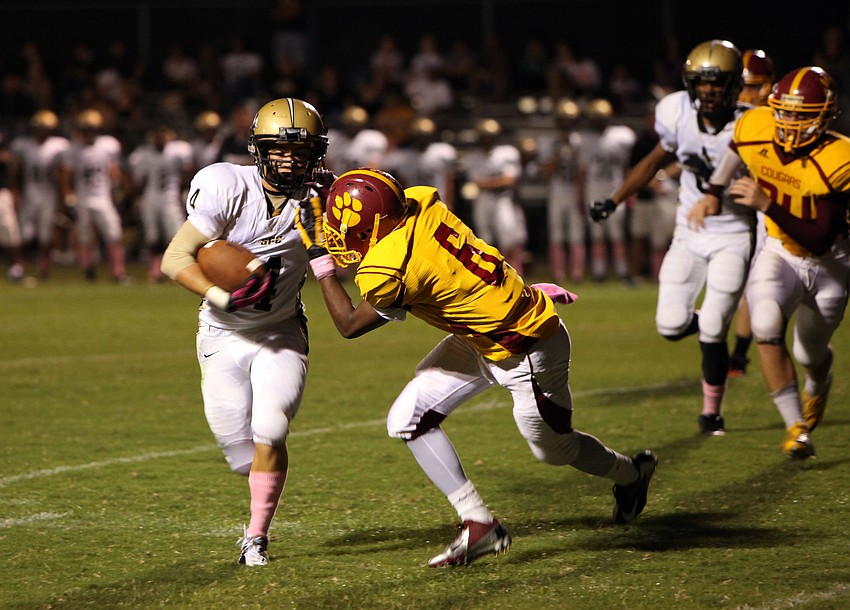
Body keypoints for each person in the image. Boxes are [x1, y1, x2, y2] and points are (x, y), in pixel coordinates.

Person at [294, 167, 657, 567]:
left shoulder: (391, 266)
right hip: (485, 334)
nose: (337, 234)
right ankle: (480, 523)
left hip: (526, 351)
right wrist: (336, 195)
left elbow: (349, 324)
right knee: (407, 418)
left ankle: (631, 474)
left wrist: (320, 260)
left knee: (556, 451)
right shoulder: (418, 203)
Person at [160, 97, 331, 566]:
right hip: (220, 332)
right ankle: (257, 483)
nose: (289, 159)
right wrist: (221, 295)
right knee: (240, 454)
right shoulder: (226, 185)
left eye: (301, 151)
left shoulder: (324, 199)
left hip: (280, 332)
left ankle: (255, 537)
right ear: (257, 148)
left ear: (316, 153)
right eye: (279, 149)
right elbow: (175, 259)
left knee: (271, 429)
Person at [590, 40, 753, 436]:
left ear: (733, 85)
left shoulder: (752, 124)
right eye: (702, 83)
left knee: (713, 328)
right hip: (690, 233)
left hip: (733, 234)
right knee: (670, 325)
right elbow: (652, 162)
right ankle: (711, 321)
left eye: (717, 84)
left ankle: (711, 413)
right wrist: (614, 200)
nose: (709, 91)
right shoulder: (677, 114)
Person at [691, 66, 850, 459]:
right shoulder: (756, 125)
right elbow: (735, 149)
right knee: (764, 322)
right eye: (786, 112)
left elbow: (819, 237)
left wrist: (767, 204)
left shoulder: (838, 156)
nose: (791, 122)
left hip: (831, 264)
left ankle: (819, 381)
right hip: (779, 253)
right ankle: (796, 428)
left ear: (825, 115)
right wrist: (713, 191)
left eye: (802, 114)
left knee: (809, 353)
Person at [727, 49, 776, 377]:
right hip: (743, 208)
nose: (747, 94)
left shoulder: (778, 117)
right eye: (743, 87)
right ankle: (739, 357)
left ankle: (742, 355)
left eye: (754, 86)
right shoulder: (731, 117)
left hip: (775, 207)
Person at [59, 108, 128, 283]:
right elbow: (66, 176)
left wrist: (118, 190)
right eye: (86, 129)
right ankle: (88, 270)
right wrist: (69, 198)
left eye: (92, 129)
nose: (89, 133)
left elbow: (114, 171)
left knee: (114, 234)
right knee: (84, 237)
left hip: (102, 197)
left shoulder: (108, 145)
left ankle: (118, 272)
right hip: (82, 198)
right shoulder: (73, 149)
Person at [127, 123, 194, 282]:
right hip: (150, 197)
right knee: (152, 237)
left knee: (177, 235)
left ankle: (177, 269)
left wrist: (185, 190)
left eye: (162, 135)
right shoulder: (143, 155)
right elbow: (140, 181)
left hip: (170, 197)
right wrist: (135, 199)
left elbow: (188, 171)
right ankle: (154, 270)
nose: (160, 139)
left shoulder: (177, 151)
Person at [10, 109, 70, 279]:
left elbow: (62, 173)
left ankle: (43, 268)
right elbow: (17, 170)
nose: (44, 131)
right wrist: (16, 191)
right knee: (24, 234)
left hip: (48, 194)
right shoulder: (24, 145)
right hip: (30, 192)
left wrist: (63, 196)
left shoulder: (59, 146)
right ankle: (18, 267)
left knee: (46, 235)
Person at [580, 98, 635, 283]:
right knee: (597, 235)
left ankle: (622, 271)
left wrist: (629, 191)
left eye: (601, 117)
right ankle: (599, 272)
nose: (598, 121)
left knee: (617, 234)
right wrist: (580, 196)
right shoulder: (585, 139)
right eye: (595, 117)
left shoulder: (622, 136)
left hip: (615, 191)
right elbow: (582, 170)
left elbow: (628, 166)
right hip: (594, 190)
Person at [461, 118, 527, 274]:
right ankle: (490, 274)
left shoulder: (507, 153)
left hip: (503, 199)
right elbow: (476, 182)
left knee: (508, 237)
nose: (487, 139)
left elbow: (509, 180)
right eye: (484, 135)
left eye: (490, 135)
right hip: (483, 200)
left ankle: (512, 272)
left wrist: (486, 183)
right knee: (484, 239)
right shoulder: (473, 157)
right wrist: (495, 182)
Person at [538, 98, 585, 283]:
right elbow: (547, 172)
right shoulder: (549, 142)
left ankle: (577, 274)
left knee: (576, 233)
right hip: (557, 191)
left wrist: (581, 194)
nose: (567, 123)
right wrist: (558, 153)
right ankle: (558, 273)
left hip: (574, 190)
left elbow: (583, 170)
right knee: (556, 233)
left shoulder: (580, 140)